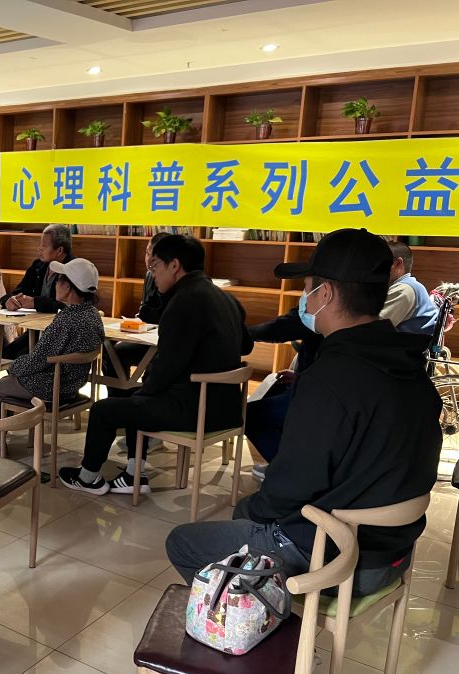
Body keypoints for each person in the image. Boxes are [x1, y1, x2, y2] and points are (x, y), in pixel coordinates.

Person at [166, 228, 442, 597]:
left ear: (325, 293)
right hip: (393, 551)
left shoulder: (331, 378)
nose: (305, 300)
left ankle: (260, 625)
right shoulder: (409, 366)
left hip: (341, 559)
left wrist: (261, 511)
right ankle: (257, 600)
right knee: (247, 515)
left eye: (307, 288)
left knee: (185, 541)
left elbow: (291, 487)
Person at [59, 235, 252, 495]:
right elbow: (246, 346)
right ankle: (133, 475)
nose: (153, 273)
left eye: (155, 265)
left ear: (174, 265)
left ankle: (87, 477)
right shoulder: (227, 299)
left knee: (104, 409)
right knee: (134, 397)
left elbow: (166, 367)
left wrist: (144, 393)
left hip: (194, 409)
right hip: (226, 408)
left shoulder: (183, 302)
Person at [0, 258, 103, 421]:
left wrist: (13, 366)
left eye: (59, 280)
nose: (56, 284)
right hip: (72, 386)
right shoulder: (93, 315)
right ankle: (1, 432)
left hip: (48, 385)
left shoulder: (66, 319)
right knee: (6, 383)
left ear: (68, 287)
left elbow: (39, 360)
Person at [245, 307, 323, 476]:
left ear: (325, 294)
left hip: (317, 393)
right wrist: (300, 376)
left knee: (250, 415)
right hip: (315, 385)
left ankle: (289, 472)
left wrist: (242, 334)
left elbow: (283, 327)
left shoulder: (320, 312)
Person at [102, 231, 169, 395]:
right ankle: (117, 396)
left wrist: (145, 315)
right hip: (145, 334)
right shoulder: (149, 276)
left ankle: (131, 397)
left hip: (163, 342)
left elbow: (157, 314)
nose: (148, 259)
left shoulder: (170, 281)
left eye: (153, 255)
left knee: (121, 352)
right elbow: (144, 311)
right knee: (109, 347)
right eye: (146, 253)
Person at [0, 224, 73, 359]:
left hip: (60, 334)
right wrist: (8, 301)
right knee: (6, 354)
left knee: (22, 357)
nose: (39, 248)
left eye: (44, 246)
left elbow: (69, 306)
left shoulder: (73, 269)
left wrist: (35, 302)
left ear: (60, 250)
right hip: (35, 330)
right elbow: (18, 291)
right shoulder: (38, 266)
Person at [380, 241, 437, 337]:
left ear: (398, 263)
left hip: (408, 345)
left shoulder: (404, 290)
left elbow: (376, 326)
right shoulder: (413, 285)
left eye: (382, 263)